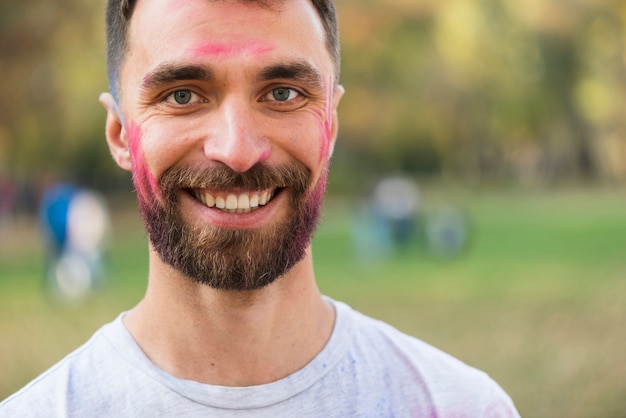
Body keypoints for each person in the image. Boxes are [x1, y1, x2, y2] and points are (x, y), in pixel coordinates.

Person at [0, 0, 520, 416]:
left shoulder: (460, 406)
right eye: (182, 96)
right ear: (120, 135)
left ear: (331, 126)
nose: (238, 149)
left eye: (283, 92)